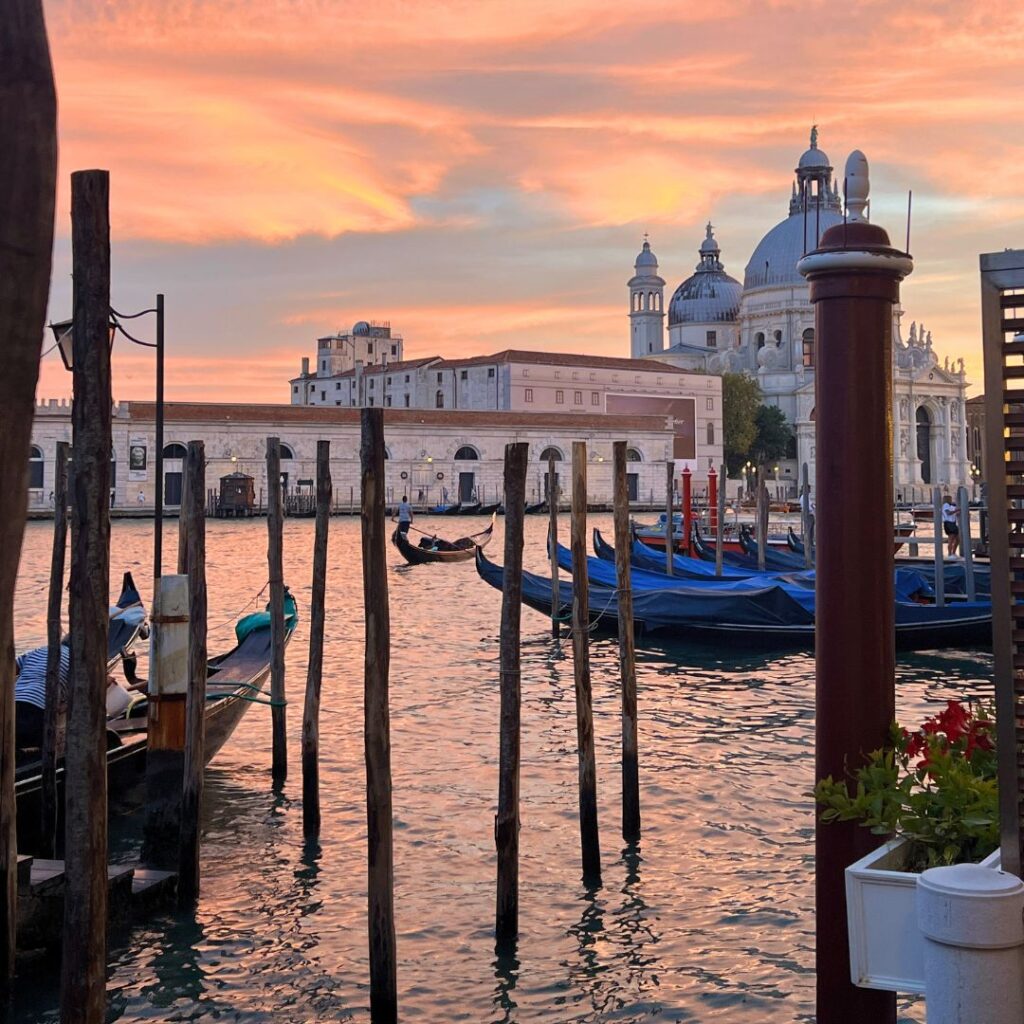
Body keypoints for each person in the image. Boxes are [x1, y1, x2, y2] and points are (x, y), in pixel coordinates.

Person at [14, 636, 71, 750]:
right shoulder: (78, 660)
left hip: (16, 701)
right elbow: (86, 691)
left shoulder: (40, 650)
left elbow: (12, 667)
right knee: (39, 747)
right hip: (40, 707)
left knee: (14, 741)